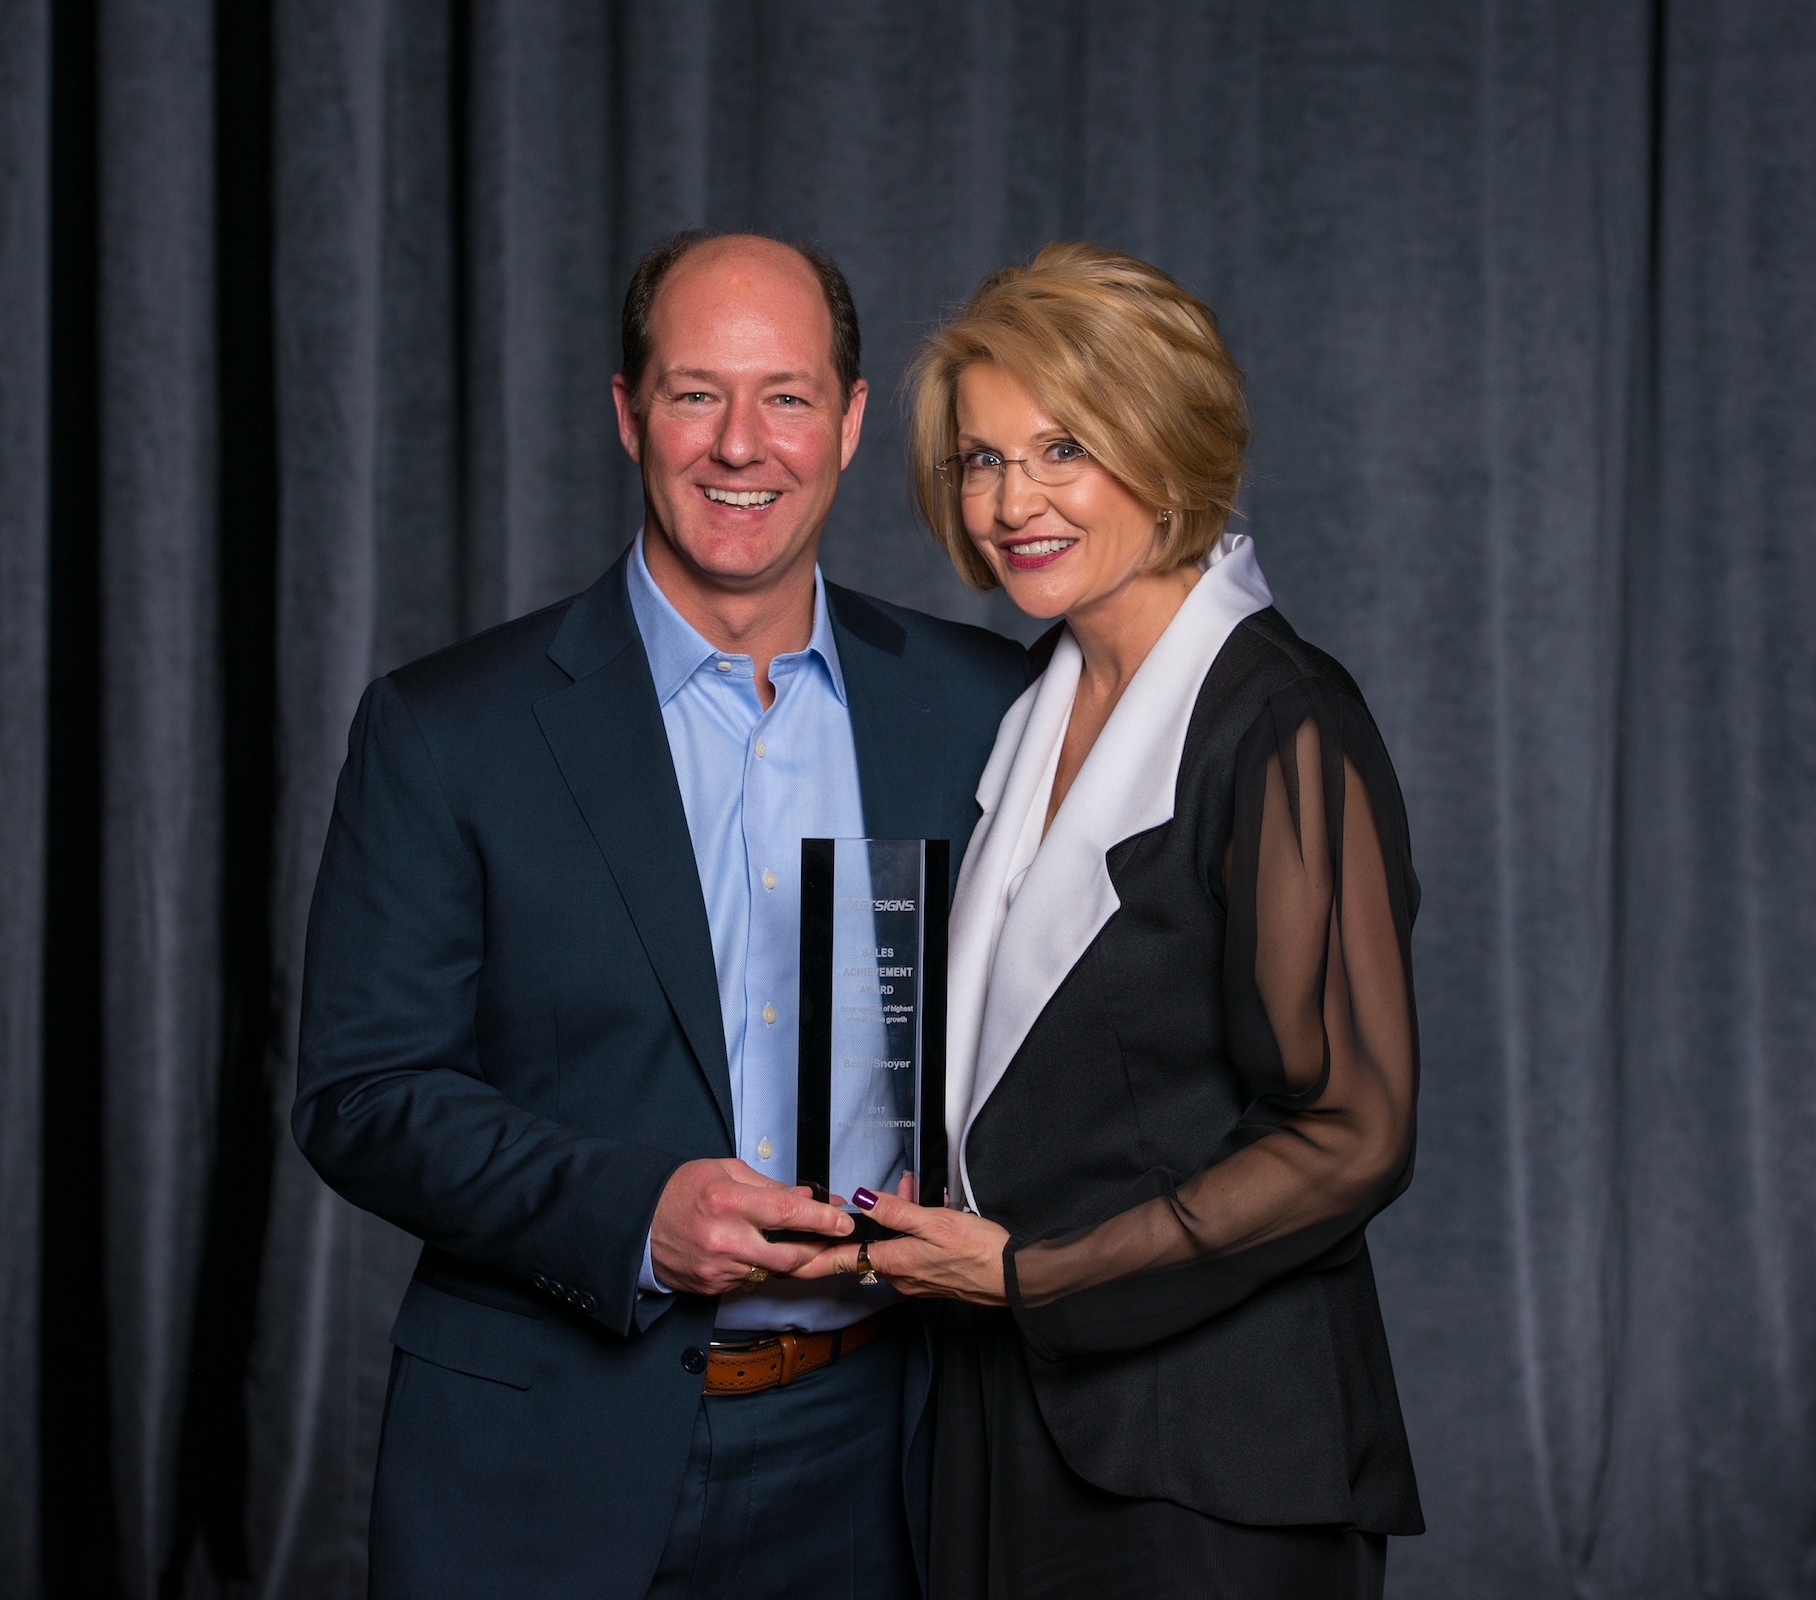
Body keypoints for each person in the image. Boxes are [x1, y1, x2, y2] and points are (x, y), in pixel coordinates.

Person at [292, 232, 1030, 1598]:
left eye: (787, 396)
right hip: (543, 1462)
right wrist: (635, 1212)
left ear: (851, 421)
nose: (741, 444)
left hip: (889, 1454)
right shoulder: (449, 728)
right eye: (698, 393)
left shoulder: (983, 707)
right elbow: (362, 1092)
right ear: (631, 414)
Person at [804, 242, 1424, 1597]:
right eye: (981, 458)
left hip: (1211, 1458)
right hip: (1002, 1421)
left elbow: (1352, 1131)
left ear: (1168, 450)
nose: (1009, 501)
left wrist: (1041, 1276)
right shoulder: (1030, 703)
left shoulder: (1283, 721)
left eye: (1063, 450)